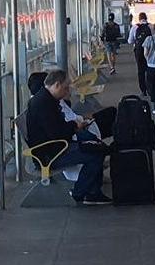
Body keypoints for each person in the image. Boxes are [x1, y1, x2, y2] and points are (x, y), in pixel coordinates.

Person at [26, 69, 111, 205]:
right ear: (57, 85)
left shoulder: (45, 99)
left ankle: (92, 191)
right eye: (65, 88)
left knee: (96, 145)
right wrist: (74, 127)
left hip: (55, 147)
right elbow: (56, 133)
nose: (67, 92)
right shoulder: (44, 104)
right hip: (51, 154)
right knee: (95, 154)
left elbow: (56, 130)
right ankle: (84, 193)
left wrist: (73, 127)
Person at [127, 12, 152, 97]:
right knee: (150, 69)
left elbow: (130, 41)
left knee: (141, 71)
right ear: (146, 18)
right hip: (150, 51)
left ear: (139, 19)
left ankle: (143, 91)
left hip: (139, 51)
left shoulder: (135, 27)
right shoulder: (151, 26)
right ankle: (150, 89)